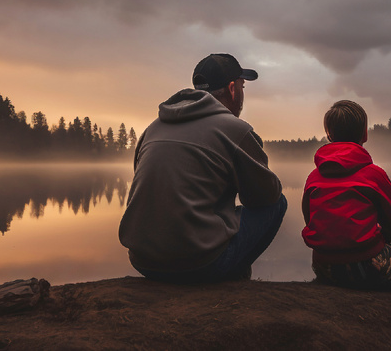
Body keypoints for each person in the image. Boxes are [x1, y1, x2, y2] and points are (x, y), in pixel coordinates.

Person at [119, 53, 286, 283]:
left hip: (143, 261)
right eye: (242, 86)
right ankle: (233, 272)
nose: (242, 93)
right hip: (200, 265)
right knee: (278, 203)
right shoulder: (235, 130)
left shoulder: (153, 128)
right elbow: (266, 196)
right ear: (232, 89)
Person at [301, 100, 391, 290]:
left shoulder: (313, 177)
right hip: (365, 267)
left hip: (323, 266)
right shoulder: (373, 174)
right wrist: (376, 239)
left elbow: (310, 220)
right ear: (365, 134)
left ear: (329, 135)